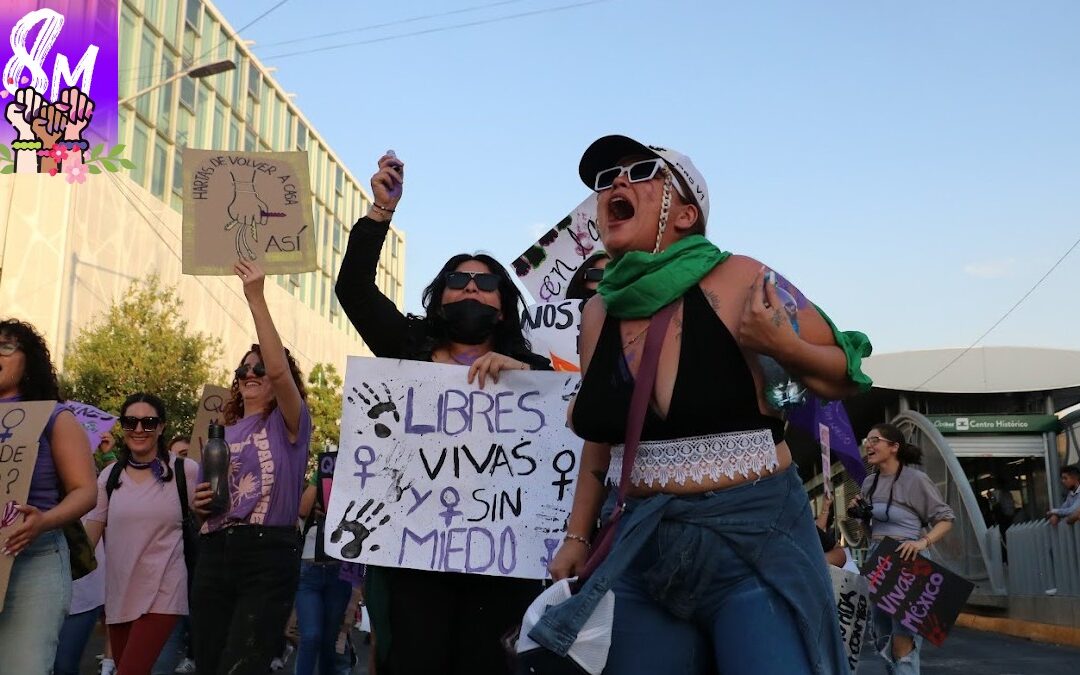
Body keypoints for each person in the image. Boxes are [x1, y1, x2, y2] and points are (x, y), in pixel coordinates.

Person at [536, 136, 871, 675]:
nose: (616, 184)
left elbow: (843, 373)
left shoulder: (739, 277)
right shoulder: (598, 311)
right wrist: (577, 537)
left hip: (752, 545)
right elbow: (601, 443)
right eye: (606, 181)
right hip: (638, 551)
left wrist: (783, 346)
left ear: (686, 212)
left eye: (642, 172)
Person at [335, 152, 553, 674]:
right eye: (458, 280)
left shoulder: (536, 371)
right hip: (414, 564)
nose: (471, 287)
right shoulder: (407, 346)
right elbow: (355, 292)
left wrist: (527, 377)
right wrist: (379, 214)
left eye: (484, 282)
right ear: (439, 300)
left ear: (503, 305)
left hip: (501, 568)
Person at [190, 259, 312, 675]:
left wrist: (255, 296)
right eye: (244, 369)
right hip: (213, 550)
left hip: (266, 552)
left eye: (258, 368)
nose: (251, 373)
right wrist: (200, 503)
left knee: (241, 667)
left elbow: (278, 370)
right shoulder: (219, 433)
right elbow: (207, 501)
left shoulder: (288, 422)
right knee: (208, 662)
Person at [0, 319, 97, 674]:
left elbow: (85, 491)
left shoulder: (55, 416)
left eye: (5, 346)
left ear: (30, 361)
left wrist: (44, 521)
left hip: (33, 559)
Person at [83, 394, 198, 675]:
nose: (138, 429)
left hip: (165, 590)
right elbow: (89, 539)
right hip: (120, 590)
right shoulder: (109, 477)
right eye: (130, 422)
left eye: (148, 423)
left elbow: (210, 520)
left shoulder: (186, 471)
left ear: (161, 428)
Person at [850, 423, 954, 674]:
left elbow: (946, 519)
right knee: (882, 638)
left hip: (909, 560)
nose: (869, 445)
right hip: (879, 559)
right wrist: (861, 516)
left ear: (894, 447)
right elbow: (871, 532)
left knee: (903, 643)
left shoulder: (916, 479)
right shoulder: (869, 483)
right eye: (867, 439)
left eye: (875, 440)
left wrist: (922, 542)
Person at [294, 464, 355, 675]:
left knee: (329, 640)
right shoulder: (320, 477)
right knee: (311, 636)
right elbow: (302, 510)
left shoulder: (355, 483)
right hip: (309, 571)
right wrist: (320, 480)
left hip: (339, 572)